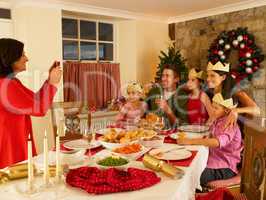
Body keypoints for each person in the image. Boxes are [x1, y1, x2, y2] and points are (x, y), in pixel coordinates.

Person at [0, 38, 62, 169]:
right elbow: (39, 109)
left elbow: (35, 100)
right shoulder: (6, 85)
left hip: (14, 140)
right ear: (10, 58)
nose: (26, 58)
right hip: (10, 144)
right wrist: (52, 83)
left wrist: (49, 80)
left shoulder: (11, 82)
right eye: (22, 54)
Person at [177, 93, 243, 187]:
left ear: (226, 110)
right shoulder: (218, 120)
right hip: (213, 162)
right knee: (188, 167)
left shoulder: (229, 124)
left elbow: (217, 142)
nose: (212, 110)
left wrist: (190, 141)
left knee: (191, 175)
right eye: (212, 106)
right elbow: (209, 134)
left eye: (216, 108)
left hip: (225, 168)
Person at [206, 61, 260, 129]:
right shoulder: (212, 91)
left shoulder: (237, 92)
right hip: (216, 129)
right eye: (207, 75)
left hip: (230, 132)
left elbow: (257, 110)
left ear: (223, 77)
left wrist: (236, 110)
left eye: (212, 75)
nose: (207, 79)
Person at [146, 64, 188, 129]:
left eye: (167, 76)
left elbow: (183, 125)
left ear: (176, 79)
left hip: (172, 136)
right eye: (163, 76)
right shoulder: (154, 91)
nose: (163, 79)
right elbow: (143, 112)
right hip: (151, 135)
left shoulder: (182, 97)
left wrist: (168, 111)